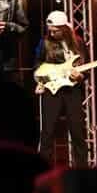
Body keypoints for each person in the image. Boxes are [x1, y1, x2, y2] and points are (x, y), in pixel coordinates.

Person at [35, 9, 87, 166]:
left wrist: (80, 76)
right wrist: (40, 81)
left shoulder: (78, 42)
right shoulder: (44, 43)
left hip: (72, 91)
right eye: (50, 30)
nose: (52, 33)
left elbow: (85, 67)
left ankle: (82, 170)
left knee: (77, 132)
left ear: (64, 28)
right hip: (51, 90)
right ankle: (43, 170)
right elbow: (37, 64)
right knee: (48, 132)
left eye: (55, 31)